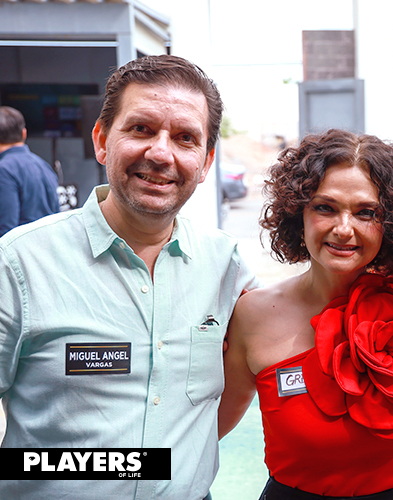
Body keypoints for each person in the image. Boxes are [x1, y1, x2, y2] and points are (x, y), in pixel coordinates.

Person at [0, 54, 258, 500]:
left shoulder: (226, 266)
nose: (160, 153)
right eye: (141, 129)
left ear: (206, 162)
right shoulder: (18, 264)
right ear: (102, 140)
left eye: (185, 138)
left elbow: (231, 393)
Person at [218, 128, 393, 499]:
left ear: (391, 223)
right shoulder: (252, 315)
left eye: (366, 213)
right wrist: (131, 474)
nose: (344, 229)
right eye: (325, 208)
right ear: (298, 213)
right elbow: (205, 431)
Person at [0, 106, 60, 237]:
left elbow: (6, 229)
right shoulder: (44, 165)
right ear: (24, 133)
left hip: (20, 248)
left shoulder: (4, 170)